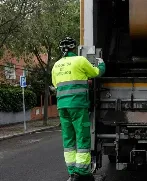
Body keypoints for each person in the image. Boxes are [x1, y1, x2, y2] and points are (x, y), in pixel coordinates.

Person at [52, 37, 106, 181]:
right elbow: (95, 73)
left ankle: (72, 171)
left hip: (62, 107)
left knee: (68, 139)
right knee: (82, 137)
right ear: (74, 48)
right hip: (78, 105)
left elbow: (58, 85)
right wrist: (101, 64)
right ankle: (82, 173)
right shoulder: (80, 60)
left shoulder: (56, 65)